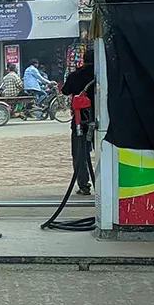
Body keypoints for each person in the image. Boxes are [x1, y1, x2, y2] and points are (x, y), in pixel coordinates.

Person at [60, 49, 97, 196]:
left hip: (80, 121)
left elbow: (65, 91)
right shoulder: (104, 74)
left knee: (80, 154)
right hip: (103, 119)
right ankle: (106, 184)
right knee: (106, 151)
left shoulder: (76, 75)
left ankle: (84, 185)